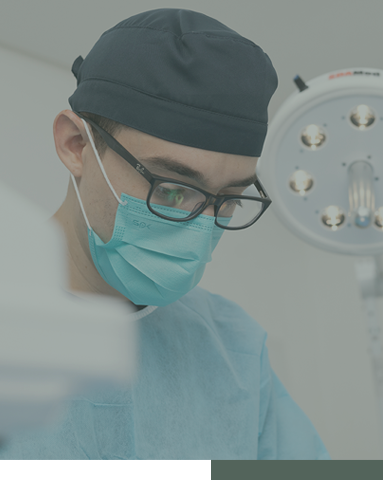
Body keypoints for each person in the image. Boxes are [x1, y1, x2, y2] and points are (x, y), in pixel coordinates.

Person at [0, 8, 330, 460]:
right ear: (76, 145)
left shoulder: (232, 349)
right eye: (173, 191)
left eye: (228, 199)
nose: (200, 226)